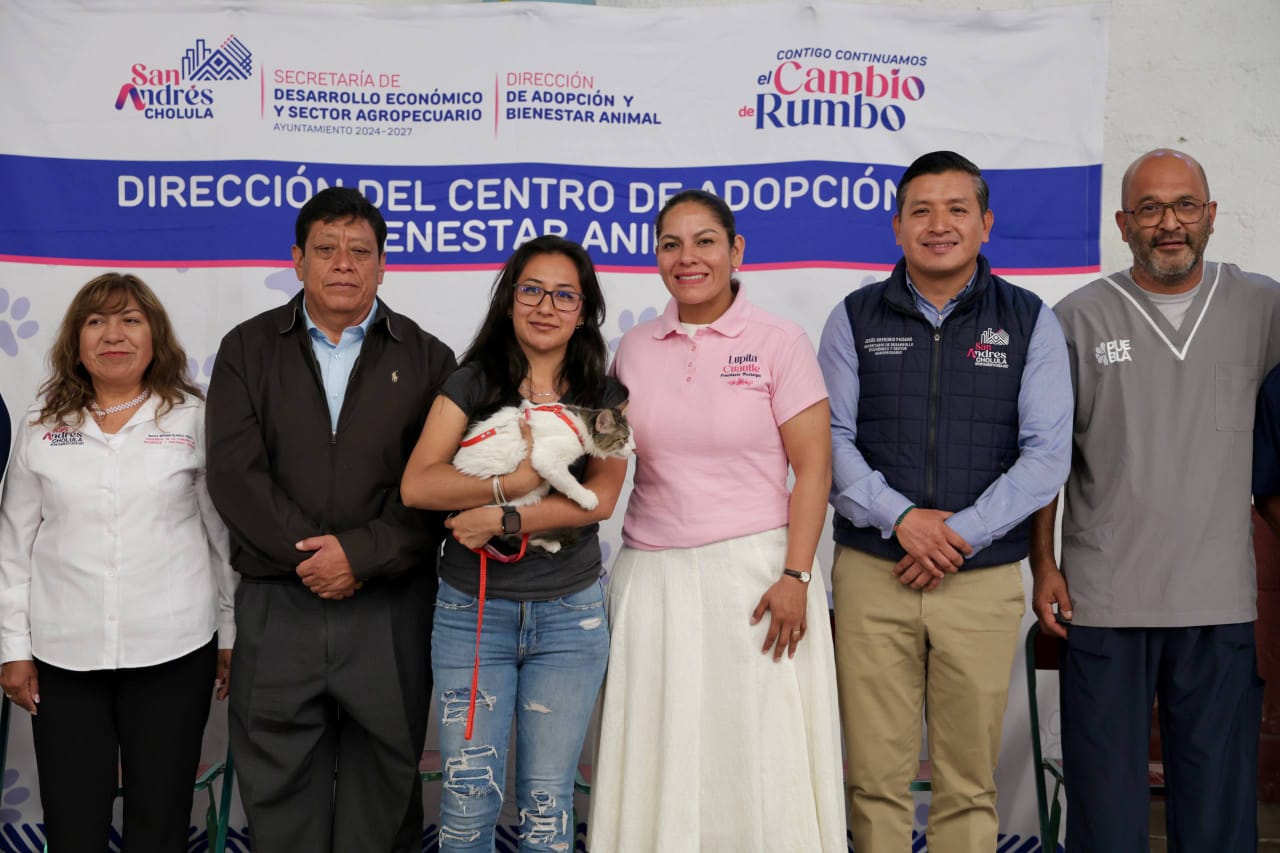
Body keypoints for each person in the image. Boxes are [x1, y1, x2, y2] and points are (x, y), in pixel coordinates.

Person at [818, 150, 1072, 850]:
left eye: (957, 209)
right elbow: (829, 441)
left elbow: (1047, 453)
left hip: (981, 575)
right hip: (873, 573)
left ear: (985, 223)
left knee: (968, 780)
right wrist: (901, 519)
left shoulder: (1029, 320)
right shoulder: (853, 317)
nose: (939, 225)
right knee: (874, 775)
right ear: (896, 226)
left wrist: (957, 533)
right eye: (921, 210)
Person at [1030, 148, 1280, 851]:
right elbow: (1046, 457)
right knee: (1106, 819)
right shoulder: (1077, 317)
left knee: (1219, 818)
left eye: (1185, 206)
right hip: (1105, 600)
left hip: (1218, 599)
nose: (1169, 223)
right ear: (1122, 222)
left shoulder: (1264, 307)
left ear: (1210, 215)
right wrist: (1043, 564)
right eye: (1150, 208)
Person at [589, 189, 845, 852]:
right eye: (670, 243)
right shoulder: (631, 350)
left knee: (760, 757)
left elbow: (813, 468)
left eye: (705, 241)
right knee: (659, 752)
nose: (687, 257)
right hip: (652, 581)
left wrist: (795, 572)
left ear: (736, 251)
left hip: (760, 579)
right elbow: (606, 465)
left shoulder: (779, 342)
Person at [205, 187, 456, 852]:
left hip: (390, 608)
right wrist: (315, 558)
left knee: (385, 793)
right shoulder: (246, 348)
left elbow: (437, 489)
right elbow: (235, 474)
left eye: (359, 251)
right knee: (278, 793)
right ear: (297, 260)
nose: (343, 263)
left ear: (382, 265)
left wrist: (361, 556)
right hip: (278, 605)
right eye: (326, 249)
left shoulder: (431, 359)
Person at [400, 235, 626, 852]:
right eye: (531, 290)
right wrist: (520, 483)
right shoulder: (471, 381)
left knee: (549, 798)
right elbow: (419, 484)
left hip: (569, 618)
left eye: (563, 295)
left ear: (584, 310)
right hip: (472, 613)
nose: (545, 306)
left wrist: (500, 521)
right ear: (509, 301)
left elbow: (601, 499)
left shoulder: (603, 395)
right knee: (468, 793)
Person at [0, 273, 235, 852]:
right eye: (97, 321)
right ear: (76, 340)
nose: (114, 335)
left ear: (155, 336)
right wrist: (12, 648)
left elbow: (222, 537)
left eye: (131, 320)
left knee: (160, 819)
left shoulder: (194, 420)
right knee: (73, 819)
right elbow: (13, 544)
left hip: (175, 650)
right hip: (62, 655)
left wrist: (230, 632)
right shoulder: (40, 425)